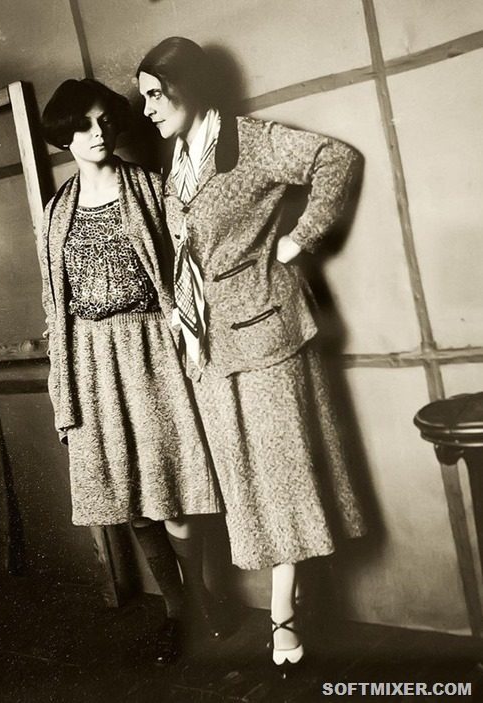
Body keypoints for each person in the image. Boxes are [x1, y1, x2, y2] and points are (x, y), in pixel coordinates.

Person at [137, 37, 366, 676]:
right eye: (144, 98)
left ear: (188, 86)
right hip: (210, 348)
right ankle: (292, 602)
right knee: (246, 482)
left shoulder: (252, 142)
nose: (148, 109)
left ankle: (283, 615)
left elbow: (336, 159)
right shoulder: (178, 163)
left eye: (155, 94)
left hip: (267, 335)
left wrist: (298, 240)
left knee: (282, 476)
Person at [37, 78, 223, 664]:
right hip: (92, 361)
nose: (98, 133)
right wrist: (62, 385)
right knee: (130, 495)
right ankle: (177, 610)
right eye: (83, 125)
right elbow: (55, 305)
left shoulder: (148, 187)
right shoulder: (56, 211)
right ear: (64, 134)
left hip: (151, 347)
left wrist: (190, 339)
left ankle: (200, 598)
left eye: (104, 121)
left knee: (173, 489)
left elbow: (188, 267)